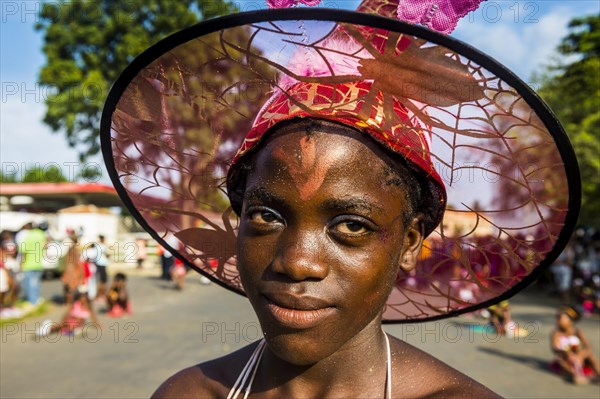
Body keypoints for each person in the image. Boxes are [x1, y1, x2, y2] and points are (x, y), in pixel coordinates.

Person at [101, 1, 579, 397]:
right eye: (266, 215)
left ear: (411, 239)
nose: (297, 262)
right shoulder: (189, 394)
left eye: (351, 225)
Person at [551, 306, 600, 384]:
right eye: (557, 318)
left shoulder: (577, 332)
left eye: (560, 318)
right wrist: (566, 352)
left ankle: (598, 372)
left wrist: (580, 355)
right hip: (566, 358)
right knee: (560, 360)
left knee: (591, 356)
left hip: (579, 356)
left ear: (570, 321)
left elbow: (588, 347)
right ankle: (576, 375)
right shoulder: (556, 333)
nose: (557, 321)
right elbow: (554, 348)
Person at [19, 221, 48, 305]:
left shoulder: (28, 235)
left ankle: (31, 301)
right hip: (38, 263)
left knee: (29, 284)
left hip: (28, 264)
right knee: (36, 283)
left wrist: (21, 263)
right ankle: (36, 299)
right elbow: (45, 246)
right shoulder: (42, 235)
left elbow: (23, 250)